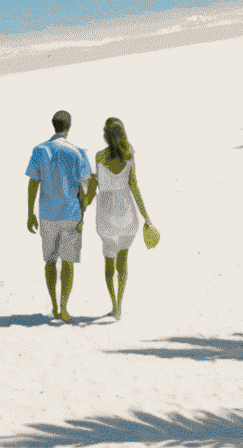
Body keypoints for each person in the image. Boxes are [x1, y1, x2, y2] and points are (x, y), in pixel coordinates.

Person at [25, 109, 93, 322]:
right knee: (68, 262)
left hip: (47, 212)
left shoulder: (39, 150)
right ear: (69, 126)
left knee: (50, 261)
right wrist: (84, 210)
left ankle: (54, 305)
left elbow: (33, 182)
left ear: (53, 125)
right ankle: (63, 307)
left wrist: (30, 213)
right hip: (71, 211)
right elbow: (84, 186)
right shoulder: (78, 152)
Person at [83, 115, 152, 319]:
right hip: (127, 212)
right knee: (123, 259)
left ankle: (113, 303)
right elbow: (134, 187)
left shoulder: (99, 156)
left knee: (108, 263)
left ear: (105, 136)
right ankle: (119, 305)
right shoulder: (129, 155)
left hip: (106, 213)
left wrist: (86, 191)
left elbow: (98, 186)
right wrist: (146, 216)